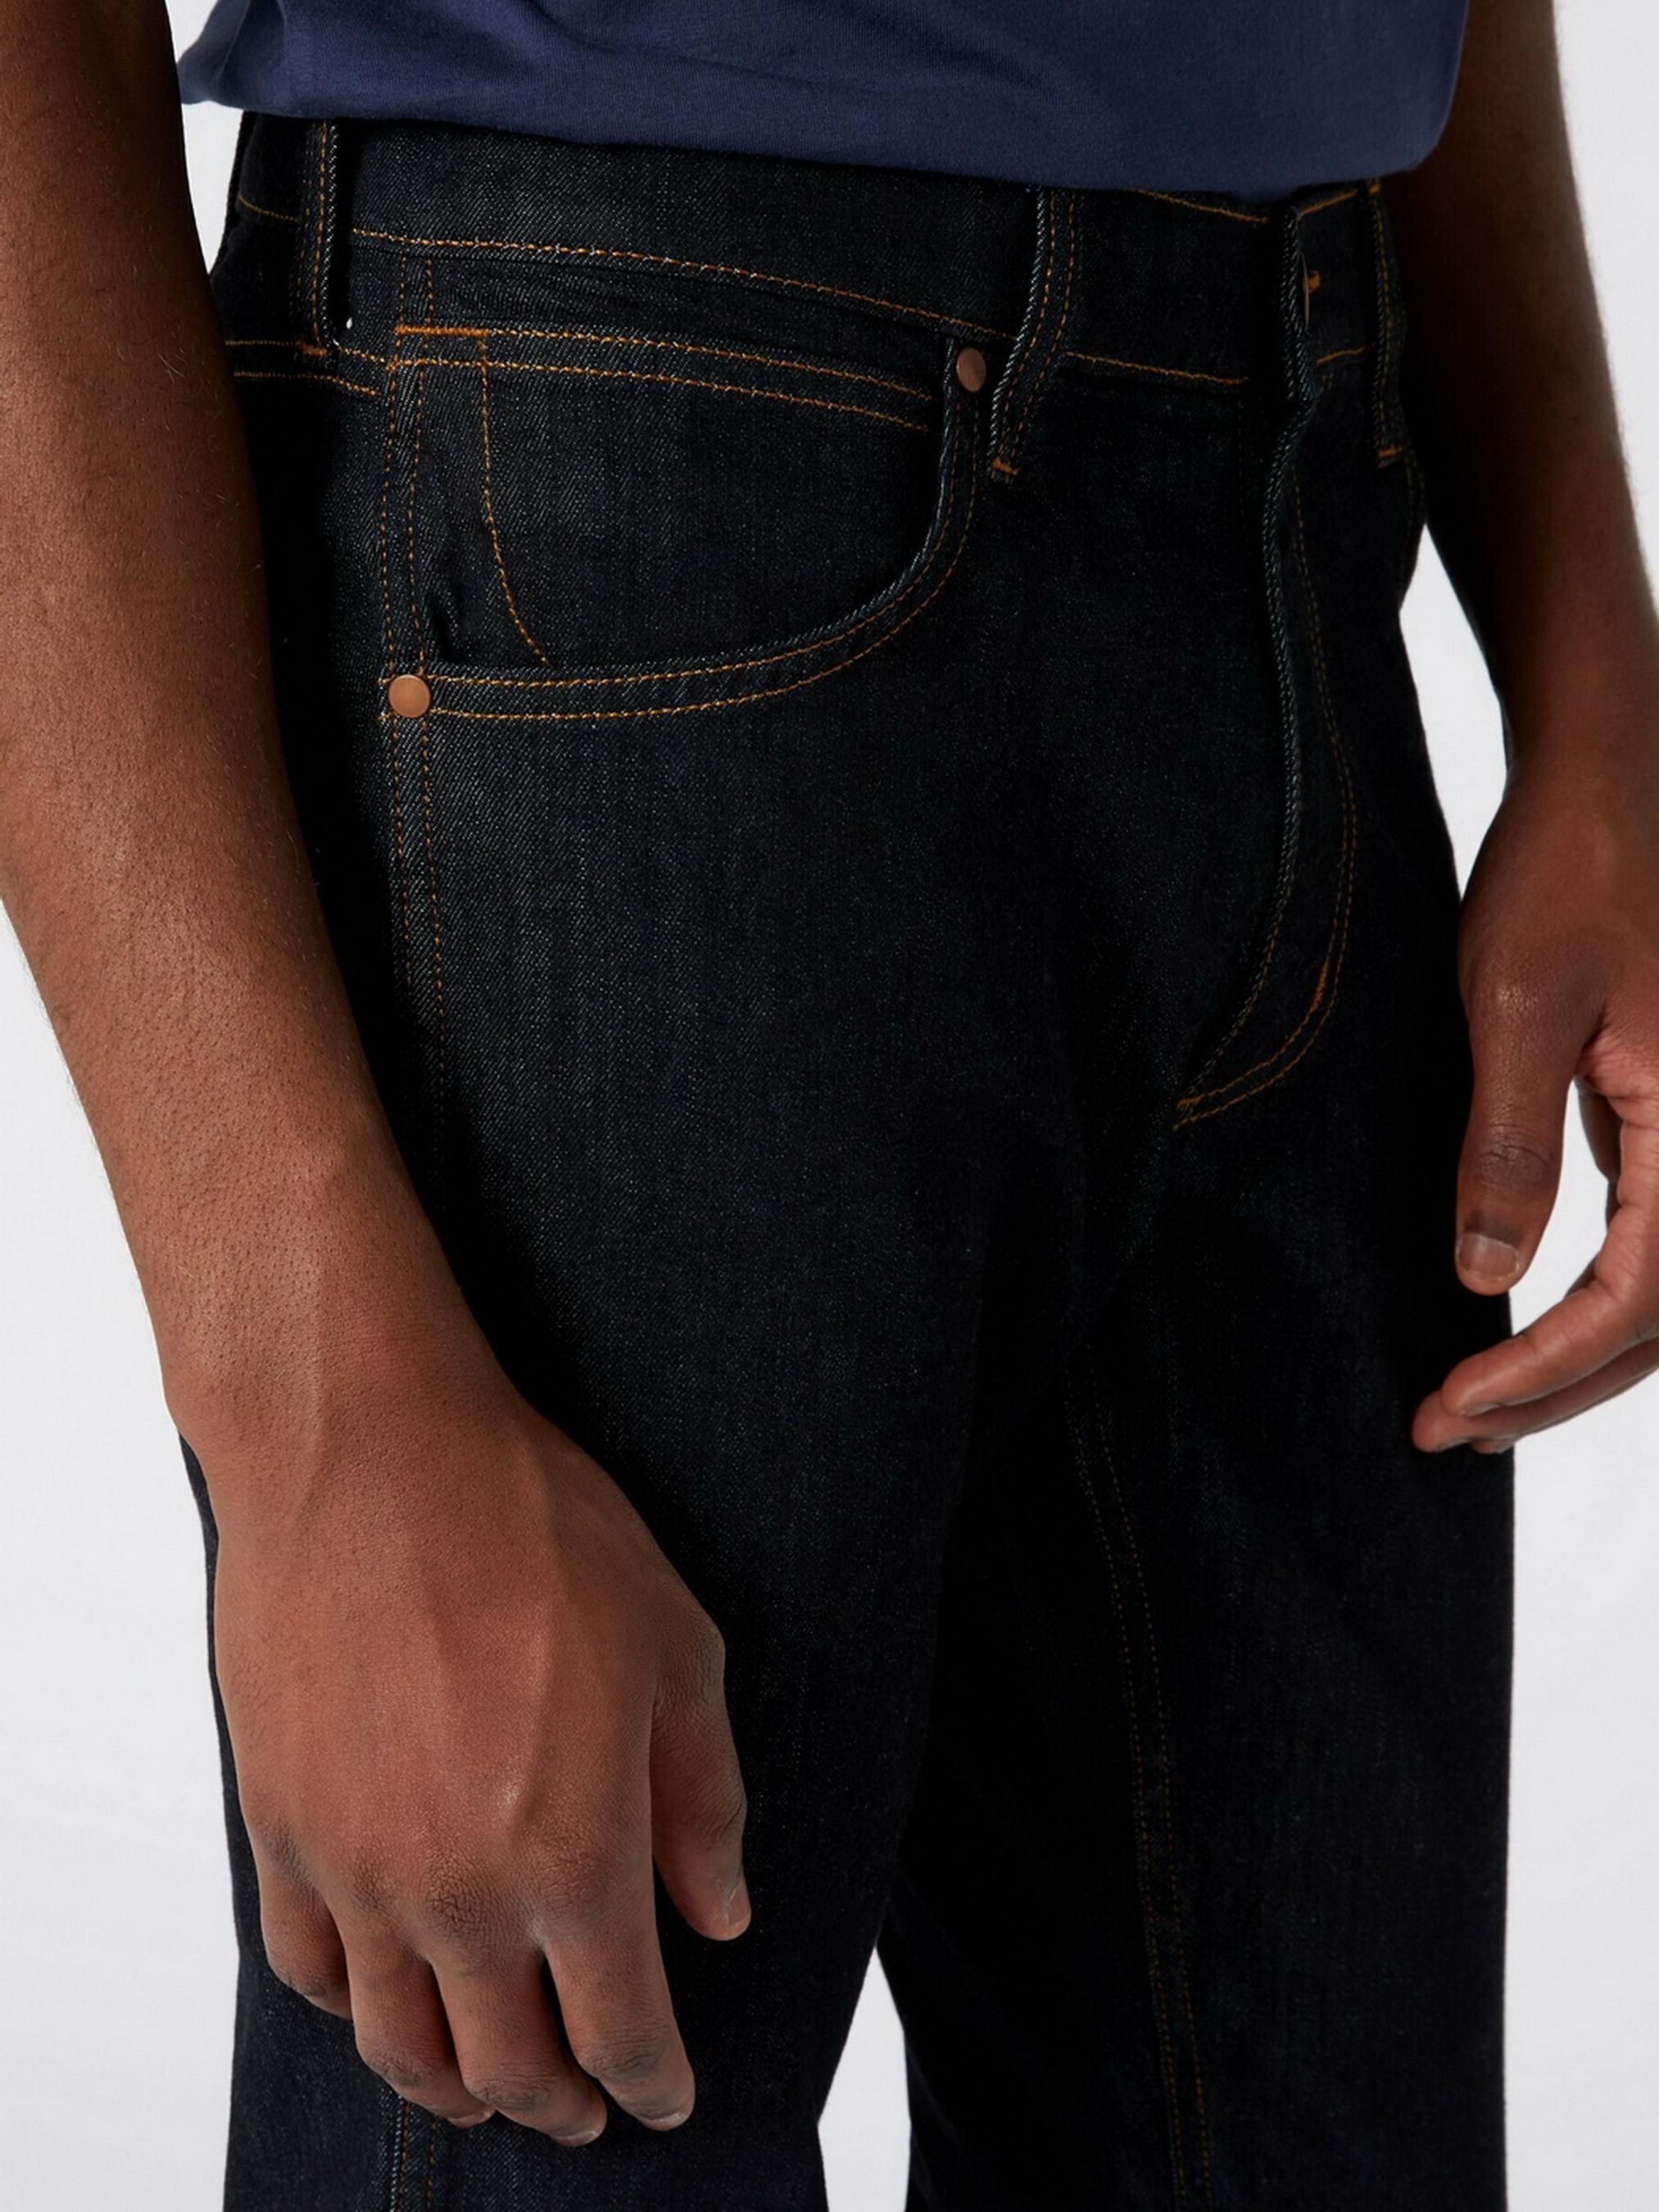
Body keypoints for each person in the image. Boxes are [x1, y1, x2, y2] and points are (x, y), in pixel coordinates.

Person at [2, 0, 1654, 2204]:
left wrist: (1595, 682)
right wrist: (307, 1404)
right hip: (622, 480)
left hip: (1309, 485)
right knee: (564, 2105)